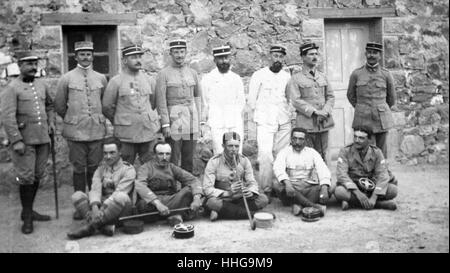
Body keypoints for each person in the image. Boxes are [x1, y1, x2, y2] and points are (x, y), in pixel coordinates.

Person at [1, 50, 56, 234]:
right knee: (26, 177)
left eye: (35, 63)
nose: (33, 67)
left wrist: (51, 122)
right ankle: (27, 215)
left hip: (42, 139)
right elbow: (8, 117)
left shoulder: (41, 85)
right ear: (20, 65)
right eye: (29, 64)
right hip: (24, 142)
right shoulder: (11, 88)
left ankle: (29, 210)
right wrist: (16, 139)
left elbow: (49, 105)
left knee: (38, 175)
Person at [55, 41, 108, 219]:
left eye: (89, 54)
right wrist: (72, 119)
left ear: (93, 56)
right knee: (79, 169)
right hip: (76, 132)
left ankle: (94, 203)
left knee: (94, 168)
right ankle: (80, 205)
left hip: (96, 130)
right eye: (82, 54)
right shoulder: (67, 78)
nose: (86, 57)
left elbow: (105, 102)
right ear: (75, 56)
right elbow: (60, 105)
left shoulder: (101, 78)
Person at [102, 44, 160, 164]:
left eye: (139, 57)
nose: (138, 60)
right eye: (133, 57)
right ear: (124, 60)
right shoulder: (116, 81)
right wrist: (120, 119)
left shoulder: (149, 80)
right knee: (125, 167)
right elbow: (107, 107)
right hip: (126, 134)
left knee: (150, 166)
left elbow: (153, 103)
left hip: (147, 131)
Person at [248, 44, 292, 198]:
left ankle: (279, 186)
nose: (277, 59)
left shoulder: (287, 76)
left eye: (280, 56)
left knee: (281, 155)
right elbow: (252, 101)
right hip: (265, 120)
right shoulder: (258, 75)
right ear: (269, 57)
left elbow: (289, 97)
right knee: (265, 155)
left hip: (283, 120)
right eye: (275, 56)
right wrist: (255, 121)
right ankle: (266, 188)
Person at [67, 138, 136, 239]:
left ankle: (90, 226)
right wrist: (95, 207)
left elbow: (119, 192)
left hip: (121, 208)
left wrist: (101, 208)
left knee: (121, 196)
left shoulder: (128, 169)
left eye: (112, 153)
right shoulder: (101, 169)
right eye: (105, 153)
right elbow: (95, 188)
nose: (108, 157)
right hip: (101, 209)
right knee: (77, 195)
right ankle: (102, 226)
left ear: (120, 152)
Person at [155, 39, 205, 173]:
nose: (179, 55)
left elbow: (198, 98)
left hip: (191, 120)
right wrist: (165, 124)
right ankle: (172, 188)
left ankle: (187, 188)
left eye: (182, 52)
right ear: (170, 53)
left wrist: (200, 122)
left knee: (189, 158)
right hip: (174, 120)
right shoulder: (163, 74)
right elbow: (161, 101)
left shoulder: (192, 73)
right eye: (176, 52)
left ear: (186, 52)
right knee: (174, 157)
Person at [134, 141, 203, 226]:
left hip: (172, 200)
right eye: (160, 154)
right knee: (142, 204)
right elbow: (141, 187)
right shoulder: (145, 168)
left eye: (167, 154)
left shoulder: (172, 167)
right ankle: (177, 214)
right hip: (154, 203)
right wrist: (158, 204)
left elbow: (193, 180)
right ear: (154, 155)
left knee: (190, 191)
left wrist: (197, 198)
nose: (164, 157)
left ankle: (173, 214)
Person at [203, 132, 268, 221]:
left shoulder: (244, 161)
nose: (234, 149)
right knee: (211, 202)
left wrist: (250, 191)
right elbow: (207, 189)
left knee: (263, 199)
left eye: (237, 146)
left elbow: (252, 182)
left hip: (240, 198)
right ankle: (252, 214)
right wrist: (228, 193)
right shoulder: (213, 162)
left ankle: (222, 212)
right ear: (223, 146)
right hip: (224, 198)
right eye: (230, 146)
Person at [347, 42, 396, 158]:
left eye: (375, 53)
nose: (372, 55)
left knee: (381, 151)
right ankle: (362, 174)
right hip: (362, 118)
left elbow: (392, 98)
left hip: (381, 118)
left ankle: (381, 174)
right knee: (361, 148)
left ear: (380, 55)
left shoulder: (386, 75)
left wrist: (380, 107)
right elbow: (350, 95)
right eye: (369, 52)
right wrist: (361, 107)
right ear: (365, 54)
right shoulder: (356, 74)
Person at [287, 42, 335, 162]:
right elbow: (295, 100)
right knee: (307, 154)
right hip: (306, 123)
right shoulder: (295, 78)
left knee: (324, 153)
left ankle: (324, 179)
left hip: (323, 122)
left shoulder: (323, 76)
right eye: (310, 54)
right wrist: (315, 112)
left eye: (316, 54)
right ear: (303, 57)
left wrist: (325, 111)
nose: (314, 57)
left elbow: (330, 96)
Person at [335, 126, 398, 210]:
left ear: (369, 140)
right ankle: (379, 204)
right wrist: (358, 193)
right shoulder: (345, 151)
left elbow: (383, 175)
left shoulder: (377, 152)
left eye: (361, 138)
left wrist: (374, 197)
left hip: (372, 186)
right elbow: (341, 174)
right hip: (354, 187)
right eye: (355, 137)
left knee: (393, 190)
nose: (357, 140)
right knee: (339, 192)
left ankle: (353, 203)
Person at [273, 127, 331, 216]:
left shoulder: (312, 152)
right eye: (294, 139)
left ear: (306, 140)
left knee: (330, 186)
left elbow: (322, 169)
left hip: (308, 187)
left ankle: (298, 205)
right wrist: (288, 184)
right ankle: (313, 205)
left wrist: (324, 188)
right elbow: (278, 168)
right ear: (291, 139)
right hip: (292, 188)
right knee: (276, 185)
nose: (297, 142)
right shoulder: (284, 152)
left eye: (301, 139)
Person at [201, 45, 245, 154]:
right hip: (217, 123)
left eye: (226, 58)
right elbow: (205, 102)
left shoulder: (236, 78)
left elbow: (241, 102)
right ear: (215, 60)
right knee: (220, 153)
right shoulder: (207, 79)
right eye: (220, 58)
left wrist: (234, 115)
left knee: (237, 153)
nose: (224, 61)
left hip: (234, 122)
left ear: (230, 59)